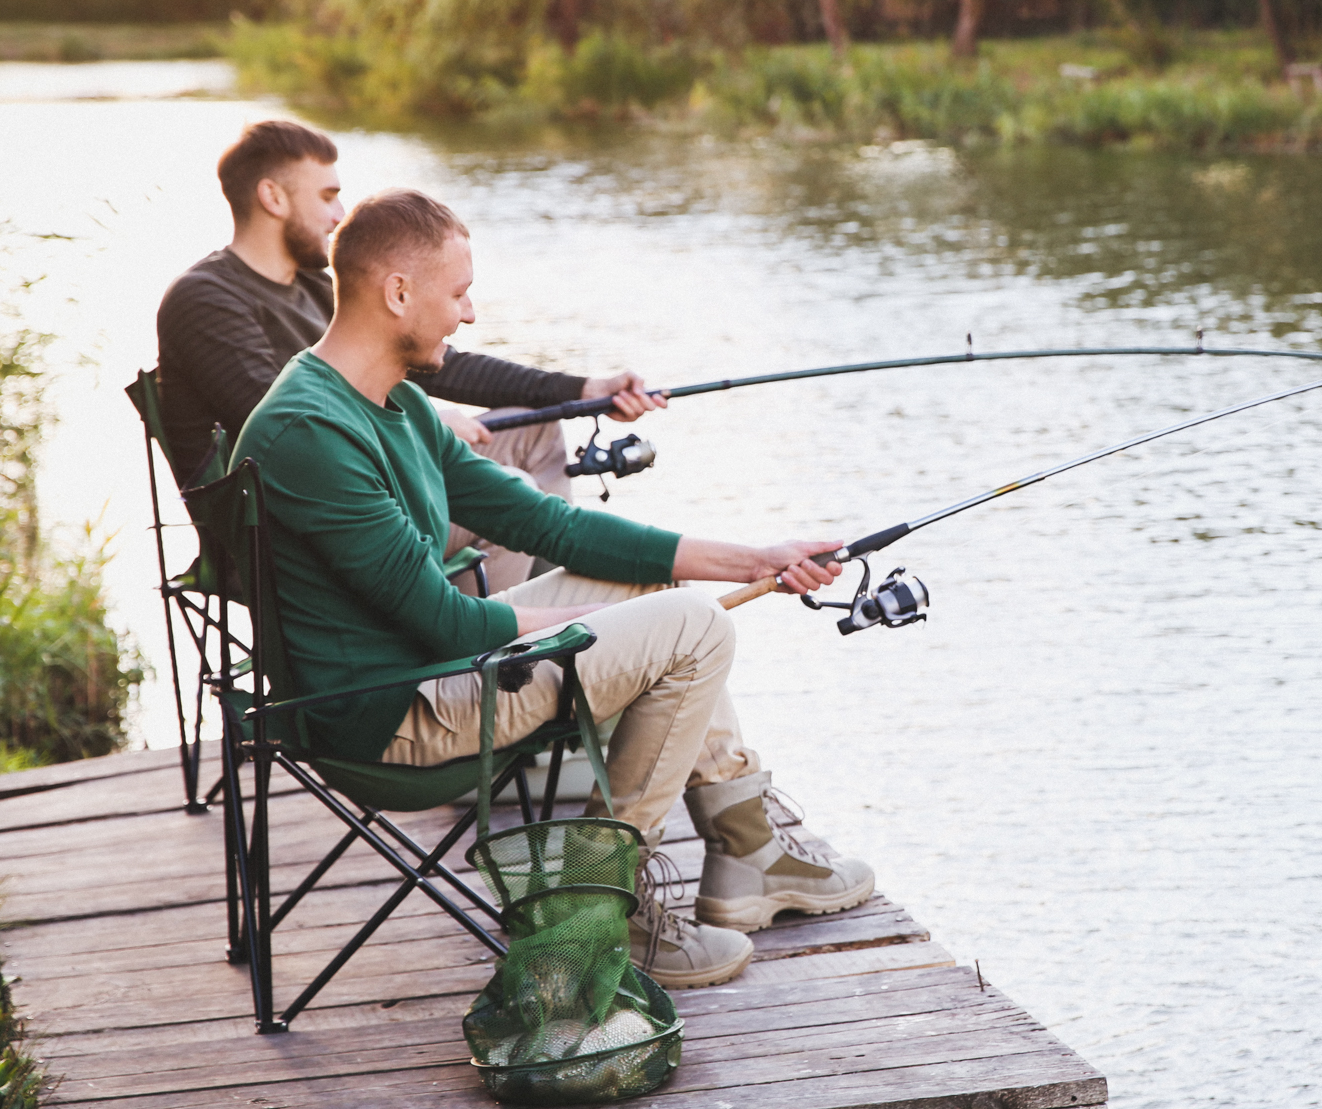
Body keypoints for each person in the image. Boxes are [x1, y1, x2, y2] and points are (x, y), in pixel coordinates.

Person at [230, 188, 876, 990]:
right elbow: (446, 622)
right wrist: (604, 626)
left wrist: (755, 558)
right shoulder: (312, 431)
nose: (468, 315)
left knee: (658, 589)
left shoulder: (393, 403)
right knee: (692, 627)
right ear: (398, 291)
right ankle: (606, 907)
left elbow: (553, 529)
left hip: (429, 676)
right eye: (458, 292)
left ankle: (745, 853)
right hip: (396, 716)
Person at [156, 119, 660, 591]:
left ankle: (548, 621)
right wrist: (432, 424)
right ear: (272, 196)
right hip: (298, 527)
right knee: (512, 491)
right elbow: (277, 421)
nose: (338, 216)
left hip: (374, 475)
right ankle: (488, 662)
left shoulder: (312, 285)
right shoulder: (204, 299)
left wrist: (581, 390)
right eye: (328, 196)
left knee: (535, 427)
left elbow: (442, 363)